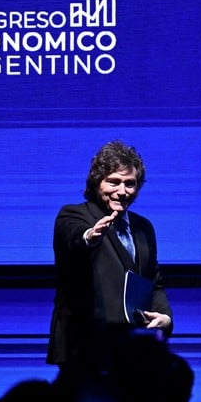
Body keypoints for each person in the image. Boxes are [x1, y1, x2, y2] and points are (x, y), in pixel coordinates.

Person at [46, 139, 173, 374]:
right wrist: (90, 237)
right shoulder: (73, 215)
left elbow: (153, 282)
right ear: (97, 182)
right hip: (84, 347)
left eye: (130, 184)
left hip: (132, 348)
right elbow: (73, 239)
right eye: (113, 182)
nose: (122, 191)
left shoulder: (143, 227)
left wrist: (165, 317)